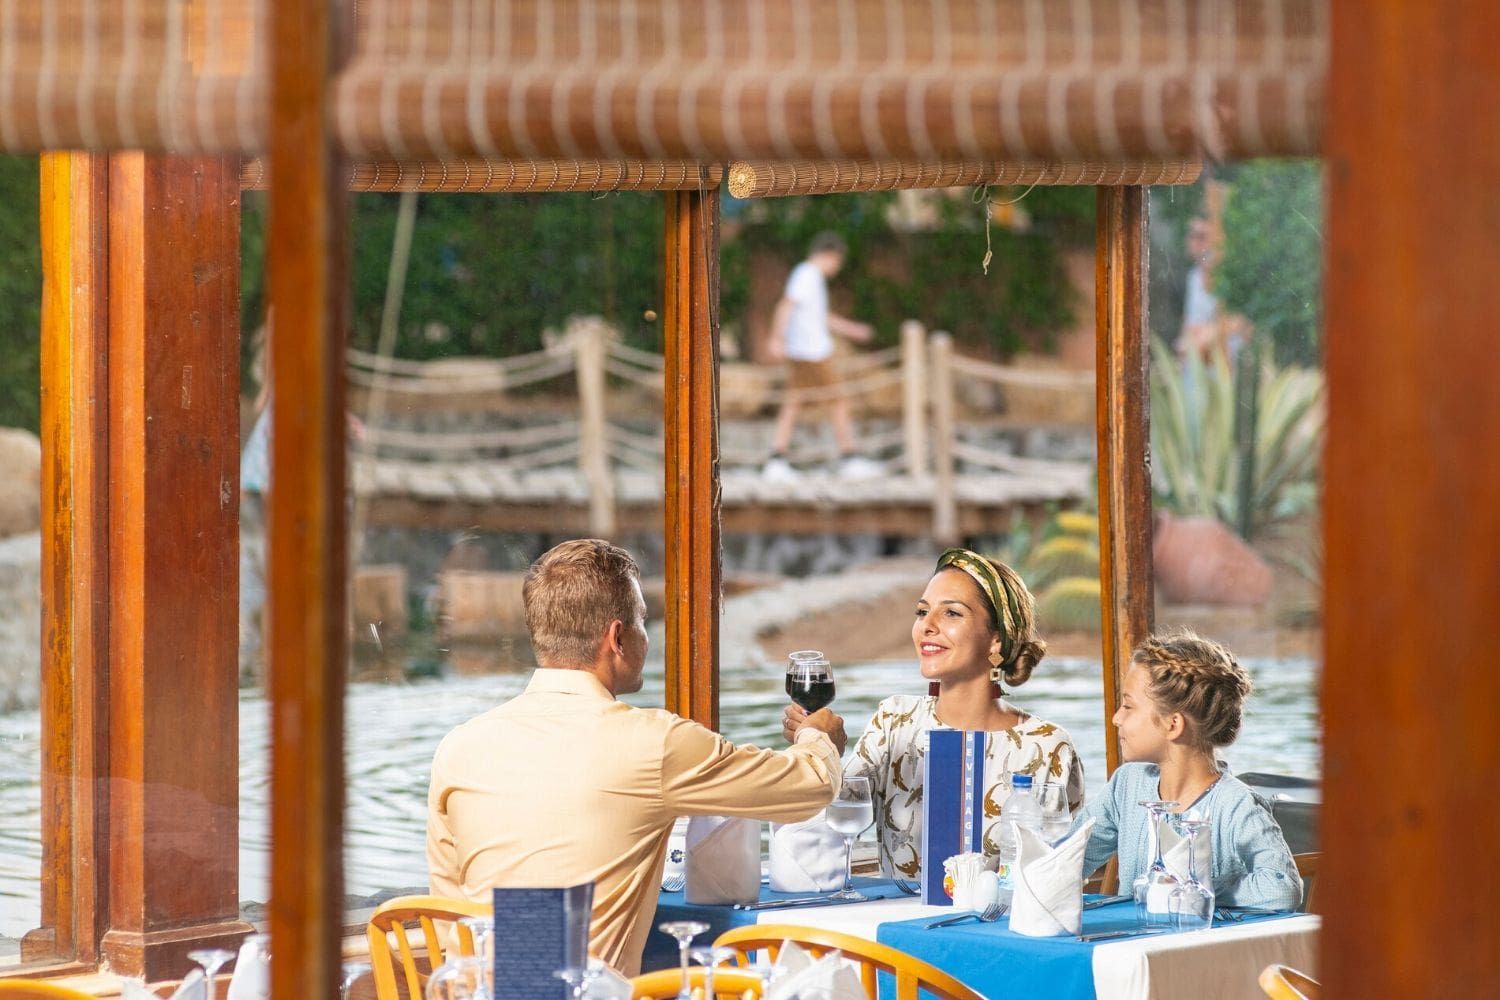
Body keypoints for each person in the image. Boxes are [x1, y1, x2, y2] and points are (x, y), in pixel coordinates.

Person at [426, 539, 847, 976]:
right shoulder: (655, 743)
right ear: (617, 638)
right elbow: (809, 787)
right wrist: (817, 735)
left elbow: (447, 914)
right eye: (642, 621)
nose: (646, 635)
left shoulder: (459, 747)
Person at [782, 548, 1085, 882]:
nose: (927, 625)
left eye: (951, 613)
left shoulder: (1046, 746)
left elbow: (1059, 870)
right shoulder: (895, 721)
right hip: (894, 915)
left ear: (996, 640)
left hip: (1004, 915)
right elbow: (829, 822)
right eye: (922, 612)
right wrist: (819, 751)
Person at [1077, 630, 1302, 910]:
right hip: (1127, 937)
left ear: (1173, 724)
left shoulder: (1236, 805)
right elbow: (1068, 858)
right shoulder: (1126, 785)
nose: (1116, 718)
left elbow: (1283, 890)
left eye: (1128, 706)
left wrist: (1195, 887)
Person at [763, 232, 882, 480]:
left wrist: (852, 329)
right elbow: (786, 305)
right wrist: (776, 338)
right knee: (838, 401)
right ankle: (849, 457)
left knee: (794, 403)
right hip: (811, 351)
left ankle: (776, 458)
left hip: (806, 350)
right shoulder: (807, 275)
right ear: (831, 256)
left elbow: (819, 317)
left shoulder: (809, 276)